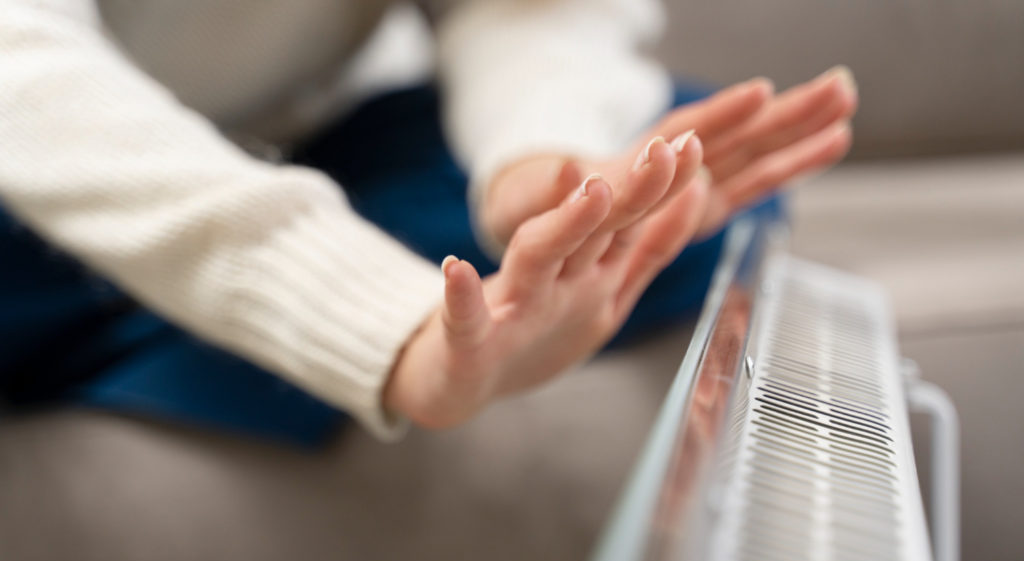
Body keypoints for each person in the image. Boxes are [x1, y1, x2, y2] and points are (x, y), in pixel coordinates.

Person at [0, 0, 857, 446]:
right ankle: (262, 310)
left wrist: (537, 161)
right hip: (26, 171)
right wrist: (389, 326)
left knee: (687, 173)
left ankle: (199, 305)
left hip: (296, 139)